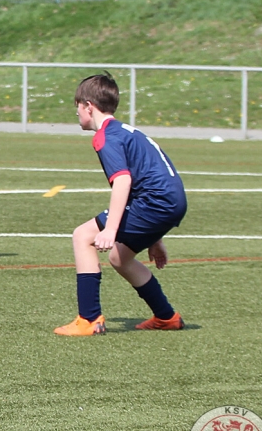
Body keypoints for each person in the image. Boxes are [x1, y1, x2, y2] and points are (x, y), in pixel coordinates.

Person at [54, 73, 187, 336]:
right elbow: (148, 179)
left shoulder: (106, 137)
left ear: (88, 106)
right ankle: (166, 317)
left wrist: (110, 230)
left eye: (77, 107)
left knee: (83, 236)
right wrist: (154, 238)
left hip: (155, 202)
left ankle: (89, 319)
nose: (77, 113)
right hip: (172, 201)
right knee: (120, 257)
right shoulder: (126, 131)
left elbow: (124, 182)